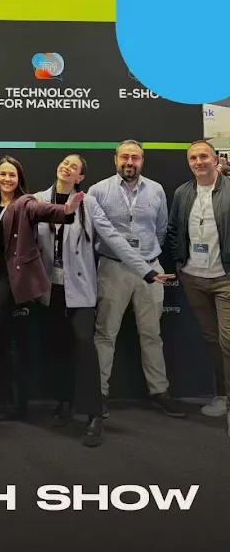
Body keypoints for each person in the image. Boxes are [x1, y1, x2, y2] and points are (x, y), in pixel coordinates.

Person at [36, 154, 176, 446]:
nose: (67, 167)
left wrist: (146, 270)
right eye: (65, 163)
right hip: (50, 289)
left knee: (86, 344)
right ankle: (64, 400)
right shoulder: (37, 200)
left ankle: (94, 414)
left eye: (74, 167)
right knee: (58, 346)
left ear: (80, 178)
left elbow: (113, 237)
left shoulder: (88, 203)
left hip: (80, 288)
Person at [0, 157, 84, 439]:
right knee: (2, 344)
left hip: (12, 280)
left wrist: (65, 211)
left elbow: (41, 210)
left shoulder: (23, 202)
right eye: (3, 174)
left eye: (12, 175)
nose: (7, 179)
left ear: (19, 179)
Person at [88, 140, 185, 419]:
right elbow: (94, 232)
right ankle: (98, 394)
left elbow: (161, 229)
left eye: (135, 158)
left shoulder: (156, 190)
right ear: (115, 159)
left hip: (151, 269)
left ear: (142, 161)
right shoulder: (98, 191)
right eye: (125, 157)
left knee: (152, 334)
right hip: (113, 268)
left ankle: (159, 391)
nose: (129, 162)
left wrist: (145, 258)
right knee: (105, 334)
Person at [168, 140, 230, 426]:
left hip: (225, 279)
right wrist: (180, 264)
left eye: (204, 156)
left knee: (228, 341)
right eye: (193, 158)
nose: (199, 162)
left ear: (215, 159)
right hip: (193, 278)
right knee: (211, 339)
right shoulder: (183, 192)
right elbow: (173, 229)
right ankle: (222, 396)